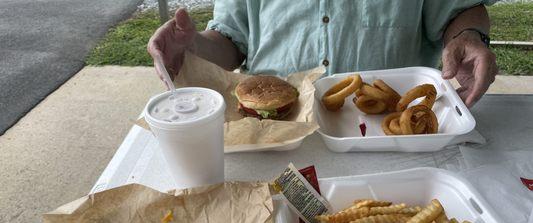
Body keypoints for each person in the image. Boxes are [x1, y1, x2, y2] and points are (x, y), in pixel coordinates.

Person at [148, 1, 498, 108]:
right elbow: (230, 41)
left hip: (392, 137)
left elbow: (462, 9)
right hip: (272, 136)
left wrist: (468, 36)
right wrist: (191, 48)